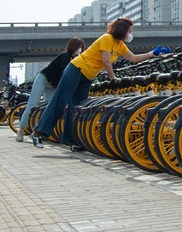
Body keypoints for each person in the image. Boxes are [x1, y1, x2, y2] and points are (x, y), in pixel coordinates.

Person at [31, 18, 170, 150]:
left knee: (78, 107)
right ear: (122, 30)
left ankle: (72, 140)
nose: (130, 34)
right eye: (129, 31)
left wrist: (152, 53)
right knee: (60, 100)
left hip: (88, 76)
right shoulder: (107, 39)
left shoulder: (120, 45)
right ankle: (38, 133)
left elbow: (133, 58)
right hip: (76, 69)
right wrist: (112, 77)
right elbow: (106, 61)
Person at [16, 37, 84, 142]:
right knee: (32, 104)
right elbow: (65, 73)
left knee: (48, 108)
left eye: (81, 47)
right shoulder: (65, 55)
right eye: (78, 47)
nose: (80, 49)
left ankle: (39, 131)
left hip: (53, 86)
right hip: (44, 79)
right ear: (73, 46)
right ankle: (21, 130)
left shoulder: (74, 60)